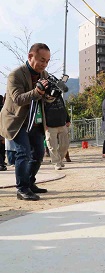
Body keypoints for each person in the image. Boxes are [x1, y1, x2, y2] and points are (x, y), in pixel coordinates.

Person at [0, 43, 50, 200]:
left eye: (47, 61)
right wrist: (37, 91)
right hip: (17, 120)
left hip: (35, 120)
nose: (44, 64)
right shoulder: (16, 75)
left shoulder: (44, 74)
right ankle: (22, 189)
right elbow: (18, 99)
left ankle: (29, 182)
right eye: (42, 60)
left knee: (39, 154)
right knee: (24, 153)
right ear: (30, 56)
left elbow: (44, 99)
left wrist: (50, 96)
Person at [44, 93, 71, 170]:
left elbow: (63, 107)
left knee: (65, 145)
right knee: (52, 146)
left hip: (62, 123)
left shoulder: (58, 95)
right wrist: (44, 124)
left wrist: (67, 119)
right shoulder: (42, 97)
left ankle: (60, 159)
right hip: (49, 125)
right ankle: (56, 163)